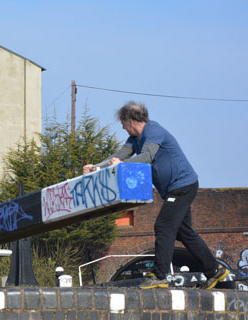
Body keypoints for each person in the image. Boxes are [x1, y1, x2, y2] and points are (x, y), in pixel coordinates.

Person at [83, 101, 229, 289]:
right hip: (175, 189)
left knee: (163, 226)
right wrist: (96, 167)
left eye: (123, 124)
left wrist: (122, 165)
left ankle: (160, 276)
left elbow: (146, 157)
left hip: (183, 186)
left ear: (131, 121)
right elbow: (122, 154)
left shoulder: (154, 132)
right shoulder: (135, 138)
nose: (122, 128)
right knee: (184, 233)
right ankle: (214, 270)